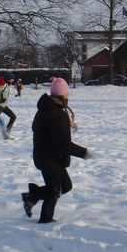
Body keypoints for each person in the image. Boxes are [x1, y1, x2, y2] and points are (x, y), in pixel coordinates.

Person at [21, 77, 93, 223]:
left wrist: (66, 126)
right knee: (54, 190)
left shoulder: (50, 108)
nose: (68, 95)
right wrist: (83, 152)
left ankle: (32, 196)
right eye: (67, 93)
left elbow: (50, 130)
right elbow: (63, 143)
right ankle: (45, 219)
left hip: (52, 156)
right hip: (49, 157)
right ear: (62, 94)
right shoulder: (55, 112)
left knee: (65, 186)